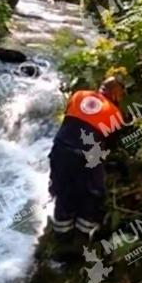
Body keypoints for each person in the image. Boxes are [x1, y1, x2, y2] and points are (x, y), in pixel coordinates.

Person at [48, 77, 127, 252]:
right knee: (93, 193)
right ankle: (82, 238)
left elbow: (70, 120)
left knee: (63, 192)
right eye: (121, 95)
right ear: (115, 94)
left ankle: (61, 237)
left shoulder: (78, 95)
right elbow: (110, 146)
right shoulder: (115, 114)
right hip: (86, 157)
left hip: (61, 149)